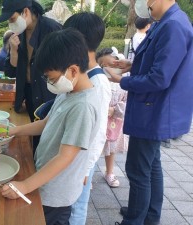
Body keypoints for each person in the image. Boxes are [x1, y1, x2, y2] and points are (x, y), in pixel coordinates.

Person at [1, 28, 100, 225]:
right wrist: (14, 130)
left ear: (72, 70)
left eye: (52, 78)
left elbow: (65, 157)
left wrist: (25, 185)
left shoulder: (83, 106)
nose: (49, 83)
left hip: (56, 193)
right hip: (45, 181)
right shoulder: (69, 91)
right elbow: (47, 123)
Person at [106, 0, 193, 224]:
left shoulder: (173, 25)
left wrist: (122, 81)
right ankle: (149, 215)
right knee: (151, 165)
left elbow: (159, 77)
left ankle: (136, 219)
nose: (143, 4)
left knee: (137, 169)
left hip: (155, 110)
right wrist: (131, 65)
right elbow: (157, 61)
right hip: (153, 107)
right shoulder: (165, 22)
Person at [62, 12, 111, 225]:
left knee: (77, 207)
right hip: (73, 157)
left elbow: (98, 134)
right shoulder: (81, 71)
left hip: (82, 162)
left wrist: (86, 169)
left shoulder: (98, 82)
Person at [0, 0, 62, 122]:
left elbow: (64, 66)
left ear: (25, 12)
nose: (11, 23)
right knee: (31, 136)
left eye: (12, 18)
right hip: (28, 94)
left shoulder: (52, 29)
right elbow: (10, 73)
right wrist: (14, 52)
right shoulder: (19, 33)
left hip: (49, 96)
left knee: (45, 135)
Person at [97, 47, 129, 188]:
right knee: (94, 146)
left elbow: (128, 101)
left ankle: (109, 172)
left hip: (115, 120)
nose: (108, 69)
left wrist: (115, 110)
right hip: (99, 119)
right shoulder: (97, 80)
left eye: (111, 65)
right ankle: (88, 173)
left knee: (111, 147)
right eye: (103, 66)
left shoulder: (124, 81)